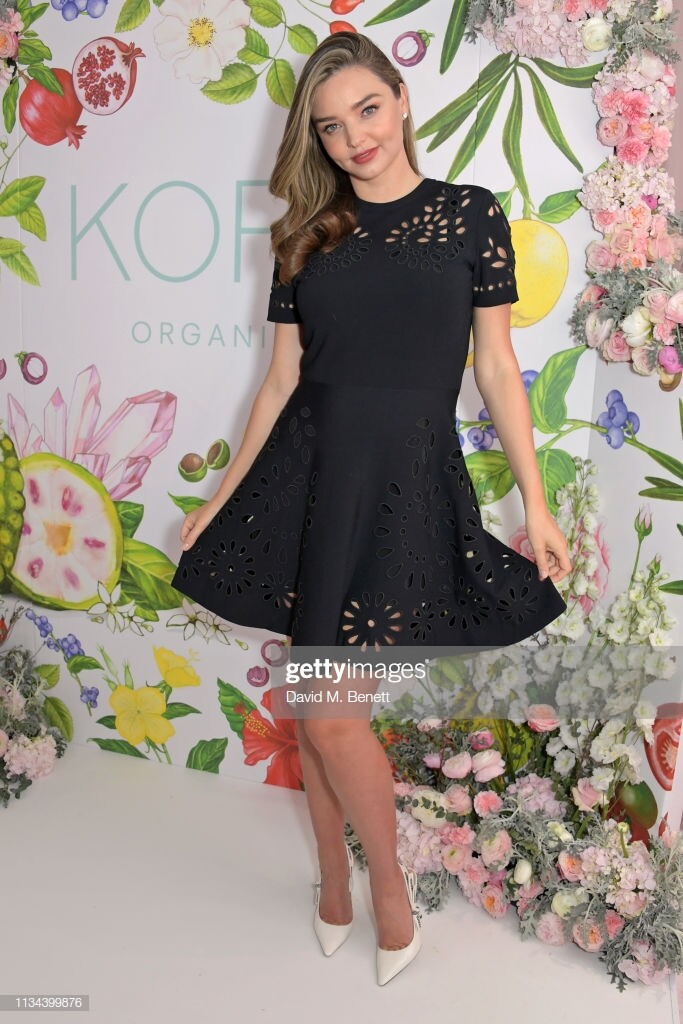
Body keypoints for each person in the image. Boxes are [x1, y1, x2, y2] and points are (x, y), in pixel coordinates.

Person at [172, 31, 572, 985]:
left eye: (366, 109)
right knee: (320, 709)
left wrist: (537, 501)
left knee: (327, 712)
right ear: (314, 139)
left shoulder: (470, 214)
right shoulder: (306, 233)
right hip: (311, 477)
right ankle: (340, 881)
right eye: (330, 125)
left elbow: (495, 367)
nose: (354, 136)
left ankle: (378, 888)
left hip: (405, 482)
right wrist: (220, 497)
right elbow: (279, 383)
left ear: (400, 100)